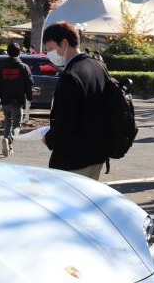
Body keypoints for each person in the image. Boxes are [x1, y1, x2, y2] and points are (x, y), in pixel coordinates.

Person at [41, 21, 111, 180]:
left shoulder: (70, 75)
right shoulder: (98, 66)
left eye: (51, 48)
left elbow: (66, 122)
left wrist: (49, 138)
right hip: (97, 155)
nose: (49, 54)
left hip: (73, 160)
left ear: (64, 43)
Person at [0, 42, 33, 156]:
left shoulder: (2, 68)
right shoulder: (24, 67)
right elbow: (28, 85)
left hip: (5, 101)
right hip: (17, 101)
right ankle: (9, 139)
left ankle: (7, 147)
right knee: (17, 124)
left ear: (8, 53)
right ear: (19, 52)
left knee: (7, 123)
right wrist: (29, 98)